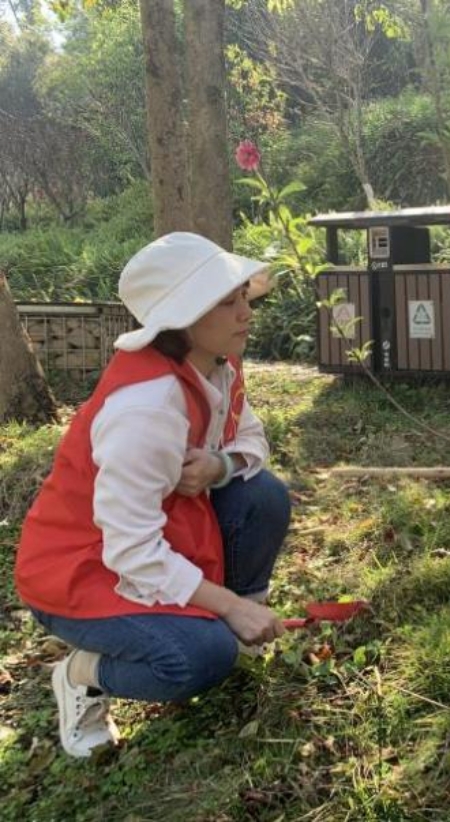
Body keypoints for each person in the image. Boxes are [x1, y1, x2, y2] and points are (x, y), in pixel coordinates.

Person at [15, 232, 291, 758]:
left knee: (262, 495)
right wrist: (230, 604)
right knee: (197, 658)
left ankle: (239, 633)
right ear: (182, 319)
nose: (246, 312)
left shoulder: (216, 364)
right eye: (226, 302)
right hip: (81, 570)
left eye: (242, 296)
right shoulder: (147, 408)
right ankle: (83, 673)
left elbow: (252, 440)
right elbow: (130, 551)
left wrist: (220, 465)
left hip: (159, 536)